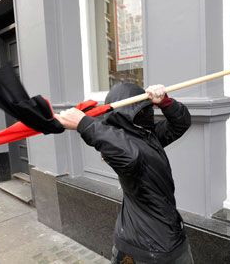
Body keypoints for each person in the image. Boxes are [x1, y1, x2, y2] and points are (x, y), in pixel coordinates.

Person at [55, 83, 193, 264]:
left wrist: (165, 102)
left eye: (148, 108)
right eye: (144, 109)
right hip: (145, 249)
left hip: (171, 239)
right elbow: (128, 154)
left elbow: (181, 123)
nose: (147, 112)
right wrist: (85, 124)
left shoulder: (149, 137)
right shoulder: (126, 152)